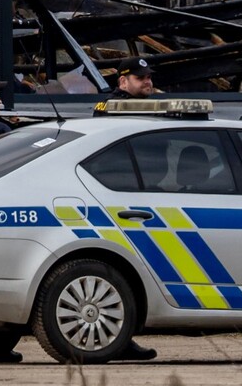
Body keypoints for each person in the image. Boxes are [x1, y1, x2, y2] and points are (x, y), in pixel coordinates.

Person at [92, 56, 160, 362]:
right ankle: (118, 339)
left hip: (126, 195)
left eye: (148, 77)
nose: (147, 82)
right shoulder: (119, 109)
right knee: (121, 274)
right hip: (123, 197)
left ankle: (119, 338)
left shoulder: (119, 107)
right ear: (122, 82)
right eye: (139, 78)